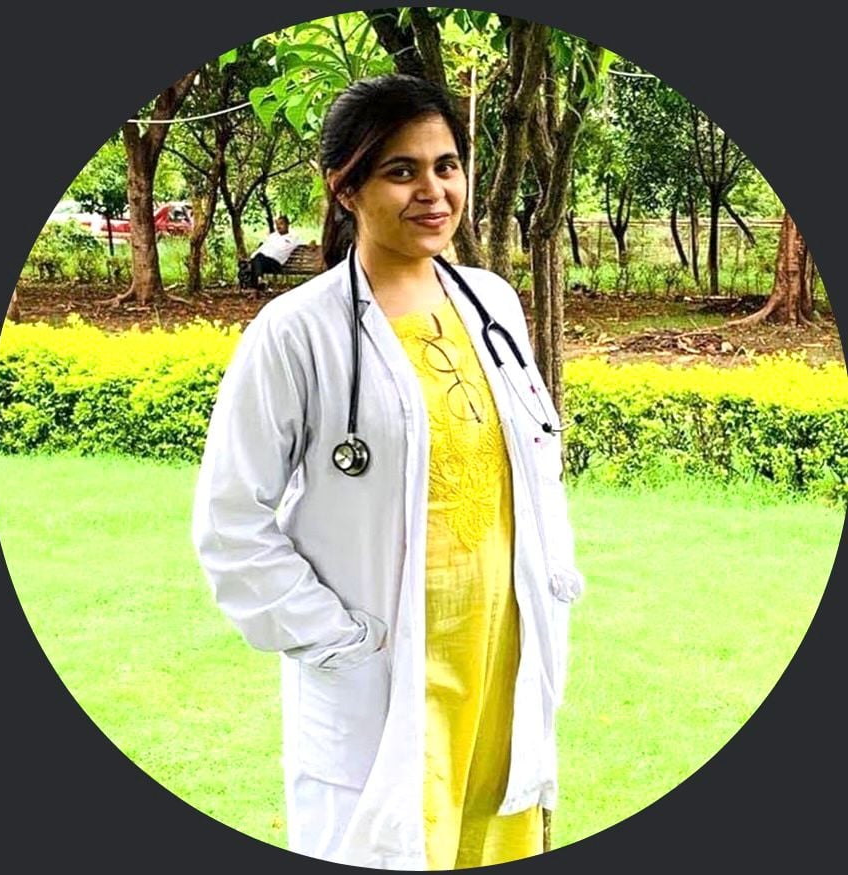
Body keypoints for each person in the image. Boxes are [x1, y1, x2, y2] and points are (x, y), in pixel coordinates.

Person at [192, 74, 584, 870]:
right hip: (382, 672)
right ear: (346, 188)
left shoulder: (492, 304)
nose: (433, 192)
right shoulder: (295, 332)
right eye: (401, 171)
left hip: (501, 657)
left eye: (446, 165)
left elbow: (531, 465)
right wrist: (336, 638)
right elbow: (231, 522)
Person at [248, 215, 301, 290]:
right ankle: (259, 283)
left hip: (276, 264)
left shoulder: (293, 237)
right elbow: (263, 247)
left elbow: (305, 244)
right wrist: (251, 258)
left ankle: (258, 283)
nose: (278, 226)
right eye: (277, 224)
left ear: (287, 224)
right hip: (263, 262)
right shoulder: (272, 236)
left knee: (258, 258)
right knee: (256, 259)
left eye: (281, 223)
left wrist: (312, 244)